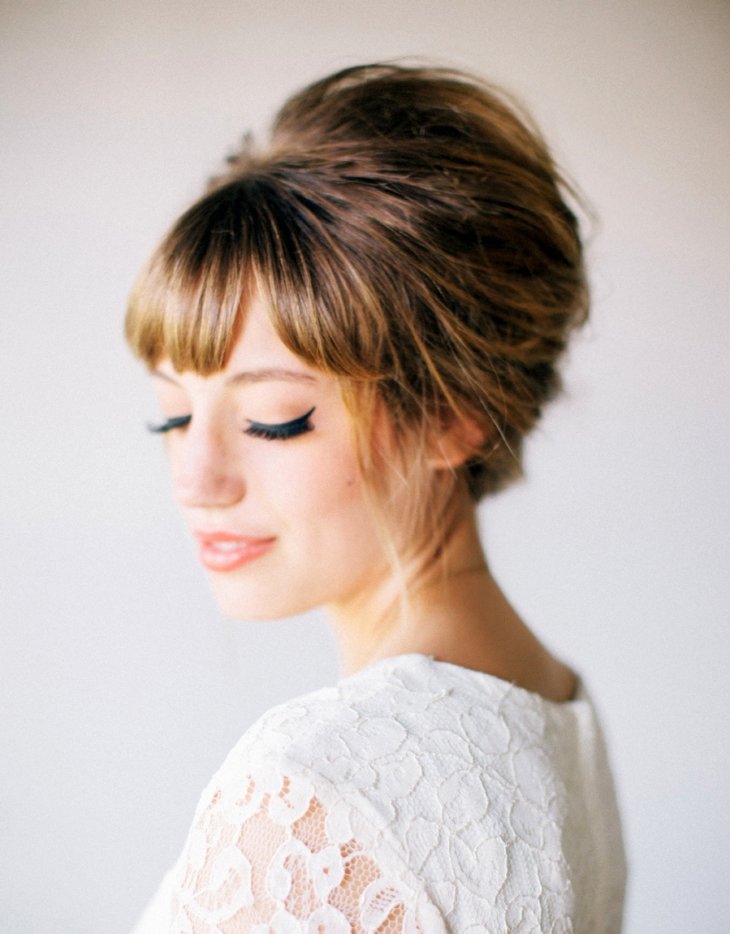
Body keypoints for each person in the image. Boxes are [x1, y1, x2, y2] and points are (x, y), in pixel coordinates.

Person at [126, 63, 626, 932]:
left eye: (274, 420)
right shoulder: (552, 702)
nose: (195, 480)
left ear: (453, 414)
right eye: (173, 415)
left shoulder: (315, 789)